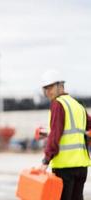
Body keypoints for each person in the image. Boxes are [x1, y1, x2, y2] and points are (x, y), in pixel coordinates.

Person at [39, 69, 91, 200]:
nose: (48, 92)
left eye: (50, 87)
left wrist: (46, 160)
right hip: (81, 167)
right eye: (46, 88)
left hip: (65, 167)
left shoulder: (58, 104)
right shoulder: (77, 105)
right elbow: (80, 128)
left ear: (61, 86)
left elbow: (56, 134)